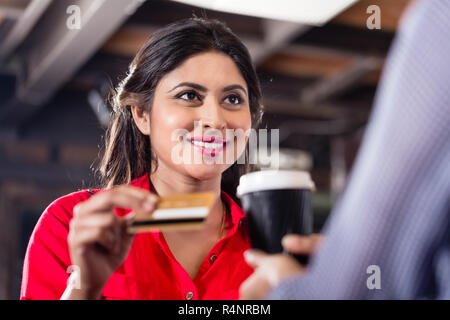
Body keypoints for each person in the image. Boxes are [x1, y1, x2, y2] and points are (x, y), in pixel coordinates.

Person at [20, 18, 318, 300]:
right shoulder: (71, 224)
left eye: (232, 99)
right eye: (189, 95)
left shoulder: (276, 250)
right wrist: (83, 288)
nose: (215, 119)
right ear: (141, 114)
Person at [240, 0, 450, 300]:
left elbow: (350, 292)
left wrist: (287, 286)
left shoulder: (441, 22)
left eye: (234, 99)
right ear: (144, 116)